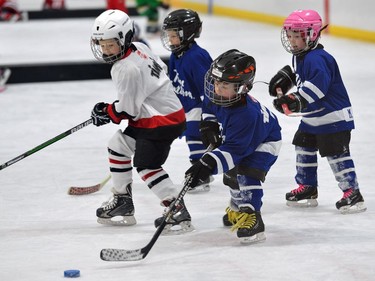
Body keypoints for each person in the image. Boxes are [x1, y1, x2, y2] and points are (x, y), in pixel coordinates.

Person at [90, 9, 193, 234]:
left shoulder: (123, 68)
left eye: (111, 45)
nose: (106, 50)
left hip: (160, 121)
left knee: (147, 165)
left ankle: (176, 208)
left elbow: (129, 109)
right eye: (102, 45)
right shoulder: (140, 48)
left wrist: (108, 112)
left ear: (125, 39)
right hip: (166, 113)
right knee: (118, 145)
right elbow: (161, 70)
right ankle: (122, 202)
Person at [269, 9, 366, 214]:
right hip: (314, 117)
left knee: (336, 155)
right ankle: (308, 187)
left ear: (312, 35)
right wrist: (287, 85)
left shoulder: (317, 58)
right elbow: (303, 80)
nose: (293, 41)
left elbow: (318, 87)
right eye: (290, 35)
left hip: (333, 116)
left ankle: (352, 192)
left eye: (298, 36)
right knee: (303, 147)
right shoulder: (301, 56)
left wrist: (295, 99)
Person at [183, 49, 282, 243]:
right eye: (216, 82)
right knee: (231, 176)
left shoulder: (245, 115)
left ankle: (253, 217)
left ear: (242, 88)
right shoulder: (221, 96)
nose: (217, 89)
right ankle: (237, 208)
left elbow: (235, 151)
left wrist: (206, 165)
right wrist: (209, 124)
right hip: (243, 139)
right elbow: (210, 107)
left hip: (265, 141)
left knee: (246, 172)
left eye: (225, 85)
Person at [161, 9, 213, 192]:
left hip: (200, 105)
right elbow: (174, 81)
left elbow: (209, 88)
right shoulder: (176, 55)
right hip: (186, 104)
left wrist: (209, 113)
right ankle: (201, 170)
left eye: (174, 35)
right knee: (190, 135)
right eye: (169, 35)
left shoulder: (196, 57)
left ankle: (201, 174)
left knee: (193, 134)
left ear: (188, 33)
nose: (170, 39)